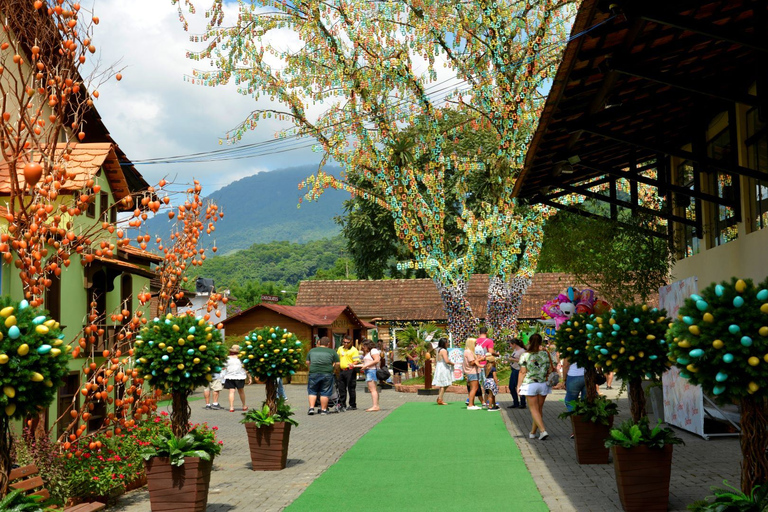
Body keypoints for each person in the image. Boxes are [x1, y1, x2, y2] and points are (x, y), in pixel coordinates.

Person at [517, 334, 554, 440]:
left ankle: (542, 431)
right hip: (543, 383)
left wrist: (518, 386)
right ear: (541, 341)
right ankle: (533, 432)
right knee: (539, 410)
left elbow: (522, 372)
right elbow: (551, 368)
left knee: (534, 409)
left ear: (529, 341)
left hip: (530, 384)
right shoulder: (546, 354)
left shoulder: (525, 355)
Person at [306, 336, 340, 415]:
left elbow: (307, 362)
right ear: (328, 344)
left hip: (313, 373)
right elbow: (337, 363)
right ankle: (323, 409)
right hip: (327, 373)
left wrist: (310, 368)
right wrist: (333, 368)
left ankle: (311, 408)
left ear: (319, 343)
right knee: (325, 391)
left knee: (312, 391)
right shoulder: (332, 352)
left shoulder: (312, 351)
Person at [222, 345, 251, 413]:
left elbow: (223, 367)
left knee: (231, 391)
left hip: (230, 376)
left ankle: (231, 407)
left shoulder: (227, 358)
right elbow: (246, 368)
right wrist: (249, 377)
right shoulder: (241, 358)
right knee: (241, 391)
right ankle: (244, 406)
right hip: (240, 376)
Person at [336, 336, 360, 411]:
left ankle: (352, 404)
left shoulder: (354, 350)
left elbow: (356, 360)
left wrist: (353, 364)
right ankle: (342, 404)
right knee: (341, 388)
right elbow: (337, 358)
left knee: (351, 388)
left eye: (347, 342)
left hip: (350, 370)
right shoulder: (340, 348)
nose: (345, 344)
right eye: (344, 342)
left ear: (351, 342)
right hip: (342, 370)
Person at [359, 340, 381, 412]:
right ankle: (376, 405)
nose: (363, 348)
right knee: (373, 389)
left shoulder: (373, 351)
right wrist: (354, 365)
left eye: (364, 346)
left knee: (372, 389)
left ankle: (375, 406)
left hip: (371, 371)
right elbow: (366, 363)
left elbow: (376, 360)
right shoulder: (368, 352)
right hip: (369, 370)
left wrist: (366, 366)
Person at [507, 338, 527, 410]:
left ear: (514, 344)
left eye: (511, 344)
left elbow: (524, 361)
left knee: (519, 386)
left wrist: (513, 359)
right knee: (511, 386)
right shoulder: (515, 351)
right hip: (514, 369)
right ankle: (515, 402)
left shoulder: (522, 351)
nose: (510, 346)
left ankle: (522, 402)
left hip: (518, 370)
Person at [432, 338, 453, 405]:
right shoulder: (444, 350)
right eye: (447, 342)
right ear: (444, 343)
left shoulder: (438, 350)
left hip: (439, 366)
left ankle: (440, 397)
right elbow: (446, 361)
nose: (448, 343)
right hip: (443, 367)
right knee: (444, 384)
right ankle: (440, 399)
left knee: (444, 384)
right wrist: (452, 363)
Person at [463, 338, 482, 410]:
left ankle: (472, 403)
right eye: (475, 343)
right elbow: (472, 362)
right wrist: (480, 359)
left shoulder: (466, 351)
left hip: (470, 372)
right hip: (472, 372)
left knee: (473, 388)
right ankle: (470, 405)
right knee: (474, 388)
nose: (476, 344)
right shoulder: (469, 352)